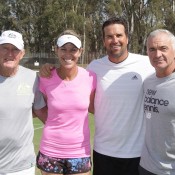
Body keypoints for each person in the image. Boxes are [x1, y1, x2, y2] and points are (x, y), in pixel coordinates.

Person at [39, 17, 154, 175]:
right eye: (109, 36)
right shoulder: (94, 68)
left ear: (127, 37)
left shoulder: (147, 64)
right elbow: (92, 105)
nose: (115, 40)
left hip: (137, 153)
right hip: (103, 151)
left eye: (119, 35)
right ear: (104, 40)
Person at [36, 29, 96, 175]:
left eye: (73, 50)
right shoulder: (45, 77)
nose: (68, 54)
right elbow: (39, 108)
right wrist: (54, 124)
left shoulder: (90, 77)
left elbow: (94, 108)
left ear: (80, 51)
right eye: (63, 49)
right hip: (50, 150)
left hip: (80, 151)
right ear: (56, 50)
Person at [0, 30, 47, 175]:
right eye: (5, 48)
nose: (10, 53)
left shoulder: (32, 77)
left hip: (21, 167)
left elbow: (44, 114)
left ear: (22, 53)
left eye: (15, 49)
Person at [139, 29, 175, 175]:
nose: (157, 54)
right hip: (146, 167)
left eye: (163, 48)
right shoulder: (147, 82)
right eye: (152, 49)